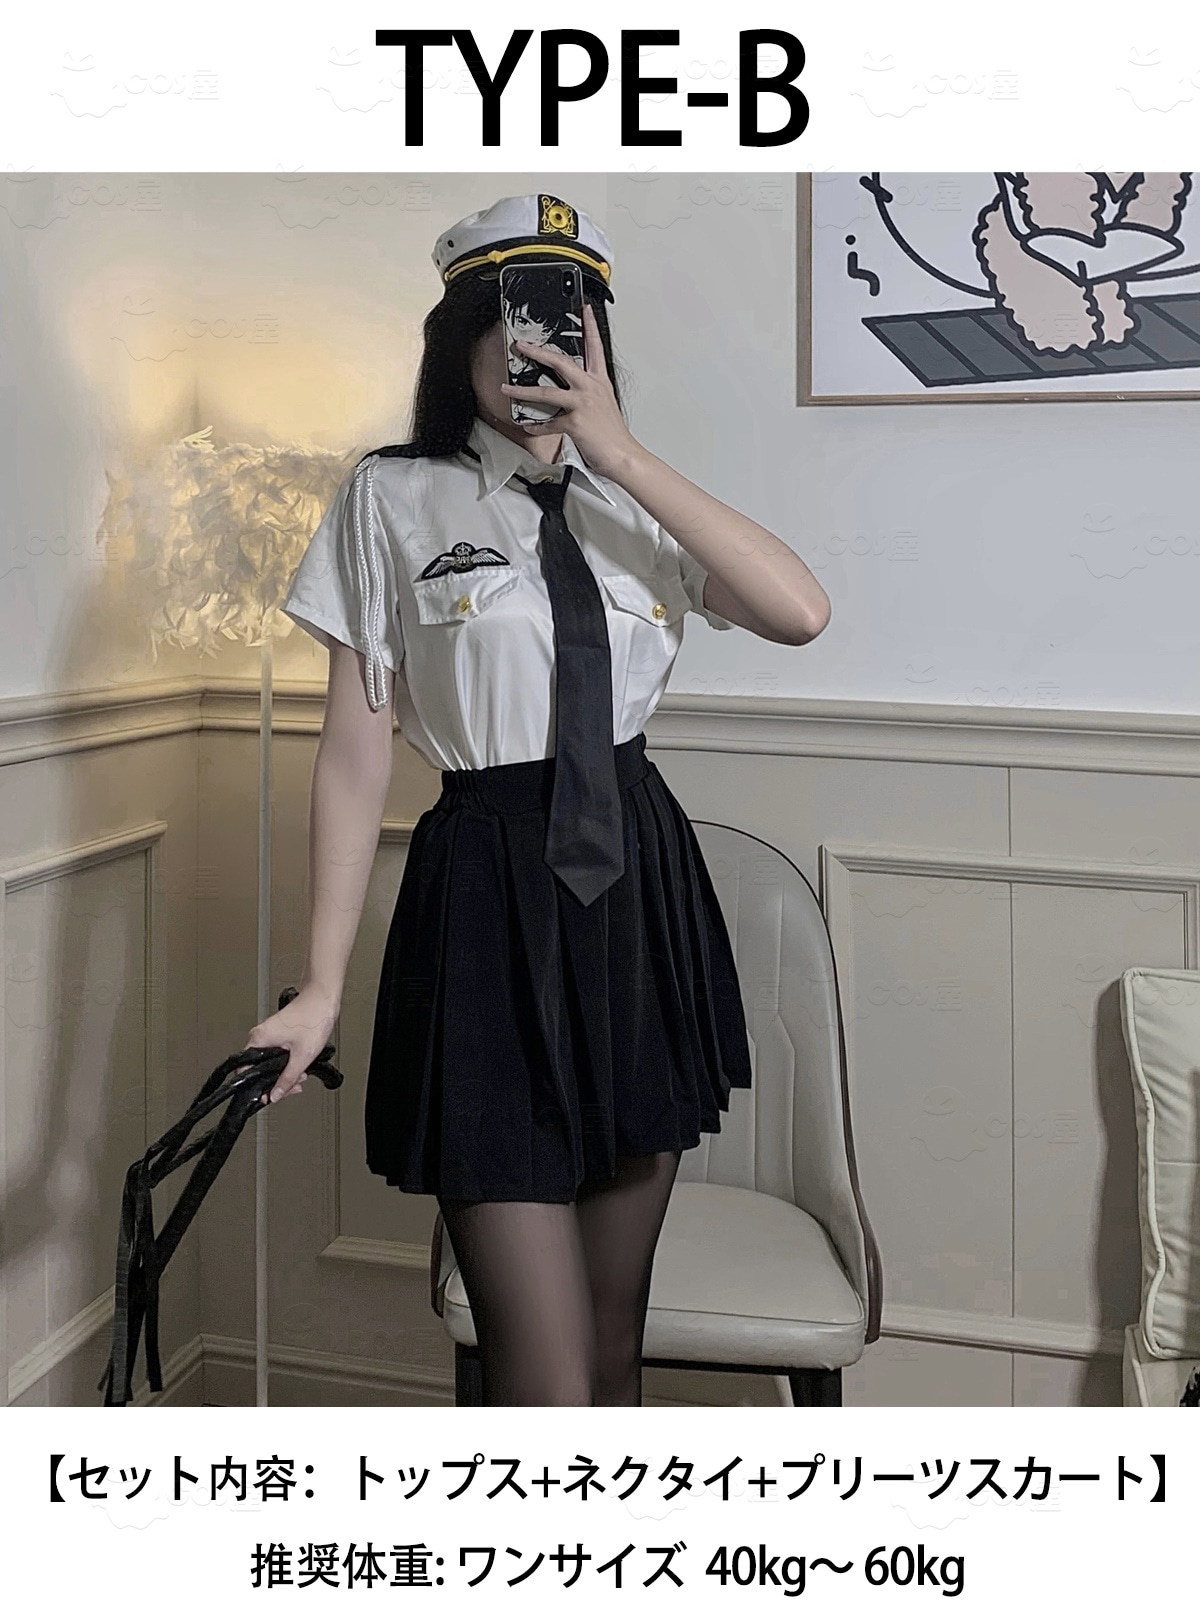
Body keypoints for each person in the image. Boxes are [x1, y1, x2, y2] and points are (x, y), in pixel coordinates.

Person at [249, 193, 831, 1406]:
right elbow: (354, 755)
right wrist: (319, 987)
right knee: (548, 1377)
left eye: (569, 327)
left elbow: (799, 611)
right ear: (458, 342)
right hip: (485, 901)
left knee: (614, 1347)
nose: (539, 355)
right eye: (510, 325)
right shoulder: (390, 497)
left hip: (638, 899)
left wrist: (619, 451)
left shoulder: (638, 501)